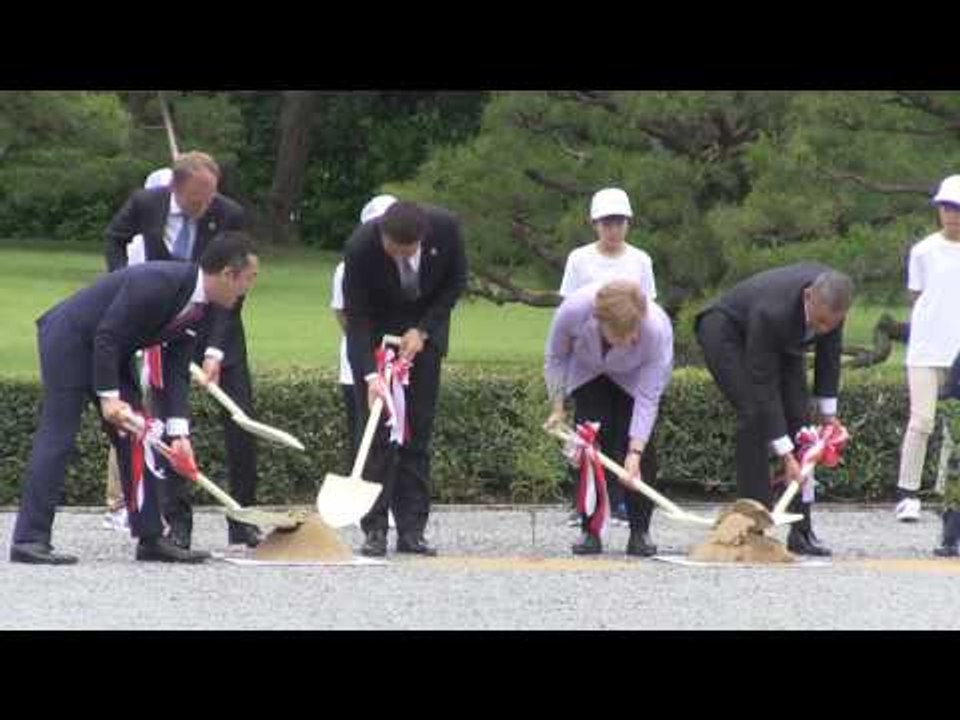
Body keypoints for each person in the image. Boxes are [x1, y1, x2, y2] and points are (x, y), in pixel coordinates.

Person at [9, 233, 259, 564]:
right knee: (59, 435)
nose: (248, 288)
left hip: (111, 351)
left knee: (140, 436)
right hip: (70, 340)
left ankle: (151, 537)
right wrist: (109, 398)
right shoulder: (158, 281)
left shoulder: (200, 307)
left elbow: (176, 370)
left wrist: (179, 432)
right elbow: (107, 334)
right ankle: (29, 539)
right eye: (248, 279)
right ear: (228, 273)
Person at [104, 151, 262, 549]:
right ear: (176, 187)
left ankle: (242, 517)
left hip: (218, 321)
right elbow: (115, 238)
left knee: (240, 417)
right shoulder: (146, 204)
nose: (206, 205)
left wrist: (215, 350)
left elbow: (235, 286)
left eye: (212, 195)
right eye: (197, 197)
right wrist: (124, 285)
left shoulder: (229, 214)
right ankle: (179, 521)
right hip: (164, 324)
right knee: (170, 421)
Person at [695, 263, 854, 556]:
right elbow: (763, 384)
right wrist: (784, 454)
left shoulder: (833, 303)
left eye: (828, 325)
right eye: (818, 322)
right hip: (726, 331)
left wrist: (828, 414)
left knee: (803, 425)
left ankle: (802, 530)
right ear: (808, 296)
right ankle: (754, 523)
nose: (821, 330)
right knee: (753, 412)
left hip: (784, 339)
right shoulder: (772, 310)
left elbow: (829, 357)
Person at [343, 200, 467, 557]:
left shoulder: (446, 228)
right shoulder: (361, 247)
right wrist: (369, 374)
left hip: (422, 339)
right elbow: (357, 318)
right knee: (378, 435)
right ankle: (375, 529)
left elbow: (454, 284)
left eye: (404, 250)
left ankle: (412, 529)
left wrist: (424, 330)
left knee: (417, 432)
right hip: (378, 337)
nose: (396, 255)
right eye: (390, 248)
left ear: (421, 240)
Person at [543, 280, 673, 556]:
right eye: (626, 335)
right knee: (589, 445)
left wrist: (635, 451)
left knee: (640, 451)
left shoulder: (656, 329)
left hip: (636, 379)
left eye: (636, 331)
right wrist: (558, 405)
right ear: (601, 323)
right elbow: (556, 357)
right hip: (588, 372)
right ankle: (590, 531)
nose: (634, 339)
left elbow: (649, 397)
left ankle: (640, 531)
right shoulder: (573, 311)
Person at [558, 187, 658, 526]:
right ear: (594, 224)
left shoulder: (640, 260)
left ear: (628, 223)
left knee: (628, 431)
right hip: (590, 360)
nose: (613, 230)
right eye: (606, 223)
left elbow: (648, 309)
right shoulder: (579, 258)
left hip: (630, 357)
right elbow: (568, 311)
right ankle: (588, 509)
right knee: (591, 431)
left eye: (619, 222)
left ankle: (628, 504)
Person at [101, 166, 174, 533]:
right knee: (133, 413)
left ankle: (149, 501)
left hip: (164, 331)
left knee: (156, 414)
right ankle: (120, 500)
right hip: (138, 334)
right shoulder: (136, 244)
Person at [894, 175, 960, 523]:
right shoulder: (923, 251)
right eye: (947, 207)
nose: (952, 215)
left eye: (958, 208)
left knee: (955, 427)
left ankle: (947, 496)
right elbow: (917, 297)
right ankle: (907, 493)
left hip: (958, 353)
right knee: (922, 421)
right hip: (924, 350)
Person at [331, 194, 397, 461]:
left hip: (398, 363)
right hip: (359, 364)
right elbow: (342, 312)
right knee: (361, 431)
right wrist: (366, 350)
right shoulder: (346, 267)